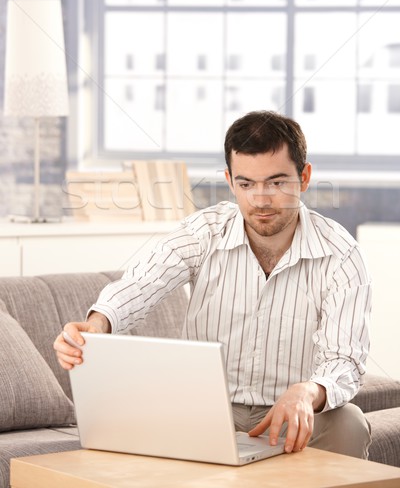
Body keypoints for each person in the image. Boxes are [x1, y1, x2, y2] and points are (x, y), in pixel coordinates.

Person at [54, 110, 372, 458]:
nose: (260, 199)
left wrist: (309, 391)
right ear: (230, 180)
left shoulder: (341, 255)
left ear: (305, 177)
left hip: (293, 415)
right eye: (246, 184)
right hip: (205, 409)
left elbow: (345, 360)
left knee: (349, 423)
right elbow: (143, 281)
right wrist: (99, 323)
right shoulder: (205, 231)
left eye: (277, 183)